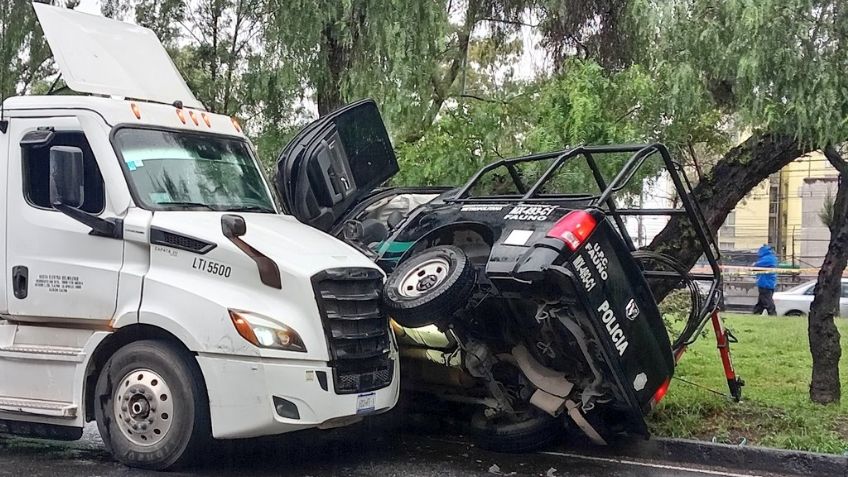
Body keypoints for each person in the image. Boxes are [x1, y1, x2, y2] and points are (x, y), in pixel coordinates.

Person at [752, 244, 778, 315]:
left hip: (765, 283)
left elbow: (755, 266)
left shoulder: (767, 259)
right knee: (761, 302)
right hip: (768, 283)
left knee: (767, 301)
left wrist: (754, 265)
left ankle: (772, 314)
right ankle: (756, 313)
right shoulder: (771, 258)